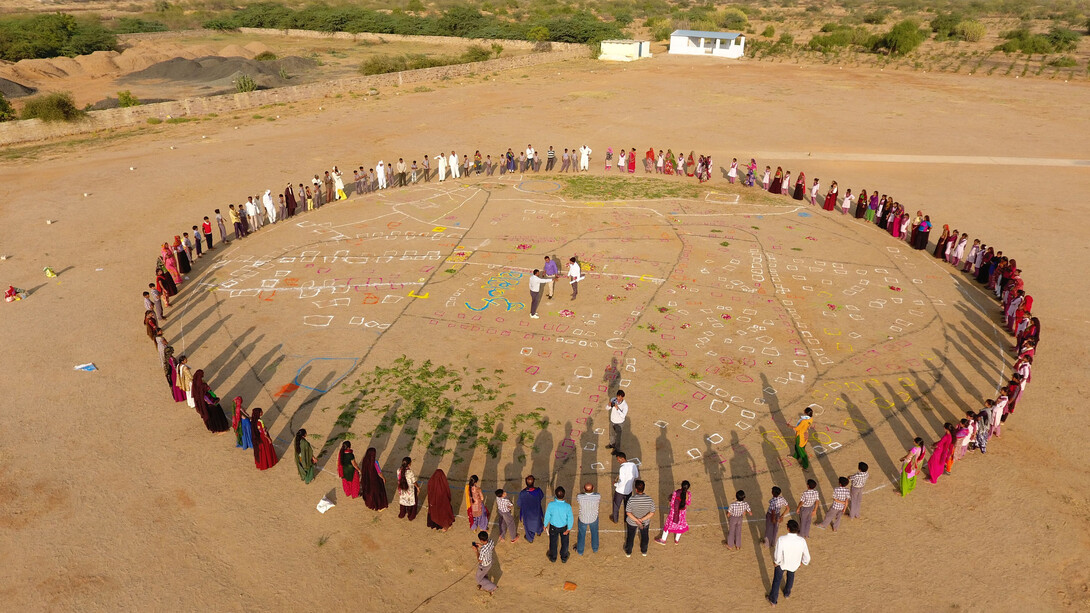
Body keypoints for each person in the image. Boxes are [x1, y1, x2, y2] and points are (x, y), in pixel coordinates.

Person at [768, 519, 811, 606]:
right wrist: (803, 562)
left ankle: (773, 600)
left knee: (777, 581)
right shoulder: (802, 541)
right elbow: (807, 556)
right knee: (791, 577)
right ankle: (787, 594)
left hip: (782, 564)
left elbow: (778, 552)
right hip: (794, 564)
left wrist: (776, 561)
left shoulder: (782, 539)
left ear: (788, 528)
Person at [623, 480, 655, 557]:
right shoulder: (649, 499)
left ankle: (628, 552)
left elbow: (628, 513)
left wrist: (637, 520)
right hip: (644, 522)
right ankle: (644, 551)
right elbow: (652, 513)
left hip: (632, 522)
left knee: (630, 536)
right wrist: (642, 520)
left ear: (636, 489)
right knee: (645, 536)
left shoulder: (631, 499)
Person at [544, 486, 574, 563]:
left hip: (553, 527)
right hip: (564, 527)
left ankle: (553, 557)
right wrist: (569, 528)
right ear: (564, 495)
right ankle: (564, 557)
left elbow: (547, 515)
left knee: (553, 542)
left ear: (556, 495)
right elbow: (570, 518)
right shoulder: (567, 506)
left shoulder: (551, 504)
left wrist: (545, 524)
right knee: (565, 542)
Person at [657, 480, 691, 544]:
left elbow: (672, 503)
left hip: (674, 512)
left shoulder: (676, 492)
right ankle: (676, 540)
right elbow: (688, 503)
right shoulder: (688, 494)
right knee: (680, 526)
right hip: (682, 513)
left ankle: (663, 539)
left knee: (668, 525)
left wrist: (670, 499)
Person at [611, 451, 638, 523]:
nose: (618, 461)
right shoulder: (633, 465)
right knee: (627, 506)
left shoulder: (622, 468)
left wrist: (615, 484)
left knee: (616, 506)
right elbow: (636, 476)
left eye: (618, 459)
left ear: (622, 459)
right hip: (629, 490)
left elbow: (621, 482)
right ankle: (626, 519)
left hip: (620, 491)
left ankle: (615, 519)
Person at [517, 475, 545, 543]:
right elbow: (541, 496)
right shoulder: (538, 491)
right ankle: (539, 532)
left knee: (528, 527)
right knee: (538, 522)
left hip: (527, 514)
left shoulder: (522, 493)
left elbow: (519, 503)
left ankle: (530, 538)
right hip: (536, 511)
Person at [575, 482, 600, 554]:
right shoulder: (597, 496)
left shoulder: (580, 497)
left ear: (584, 489)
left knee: (581, 535)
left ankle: (580, 551)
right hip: (593, 518)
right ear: (593, 489)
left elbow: (578, 496)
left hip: (583, 519)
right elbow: (596, 494)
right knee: (595, 533)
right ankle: (595, 549)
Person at [763, 486, 789, 551]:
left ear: (772, 493)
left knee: (769, 529)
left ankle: (767, 544)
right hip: (778, 514)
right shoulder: (782, 499)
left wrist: (773, 518)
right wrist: (782, 516)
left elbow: (773, 511)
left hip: (771, 515)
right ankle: (773, 543)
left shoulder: (772, 501)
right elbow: (788, 508)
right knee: (775, 529)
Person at [473, 531, 497, 595]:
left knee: (479, 579)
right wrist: (481, 546)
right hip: (489, 562)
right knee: (484, 575)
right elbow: (490, 548)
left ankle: (492, 587)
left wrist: (476, 551)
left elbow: (480, 560)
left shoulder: (482, 550)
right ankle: (485, 586)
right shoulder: (491, 541)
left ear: (481, 540)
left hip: (484, 565)